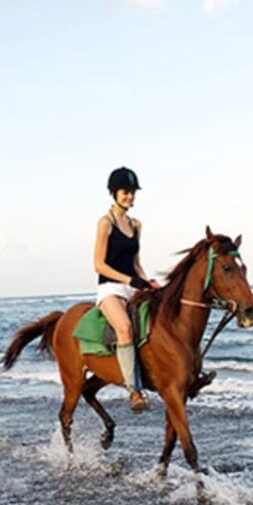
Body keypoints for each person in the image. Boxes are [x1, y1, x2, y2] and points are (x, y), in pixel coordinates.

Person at [94, 167, 160, 413]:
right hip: (110, 288)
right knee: (124, 328)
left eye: (132, 192)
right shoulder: (105, 223)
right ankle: (134, 391)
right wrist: (129, 281)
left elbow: (136, 263)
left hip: (132, 285)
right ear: (114, 193)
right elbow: (98, 264)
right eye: (125, 192)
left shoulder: (136, 225)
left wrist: (147, 282)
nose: (130, 197)